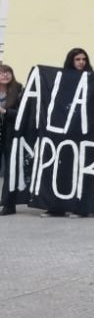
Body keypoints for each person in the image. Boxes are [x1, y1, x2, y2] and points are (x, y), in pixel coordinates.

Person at [0, 63, 23, 216]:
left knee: (10, 170)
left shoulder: (19, 89)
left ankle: (9, 204)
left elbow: (23, 113)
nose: (5, 75)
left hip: (11, 134)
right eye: (2, 73)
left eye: (8, 72)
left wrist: (4, 111)